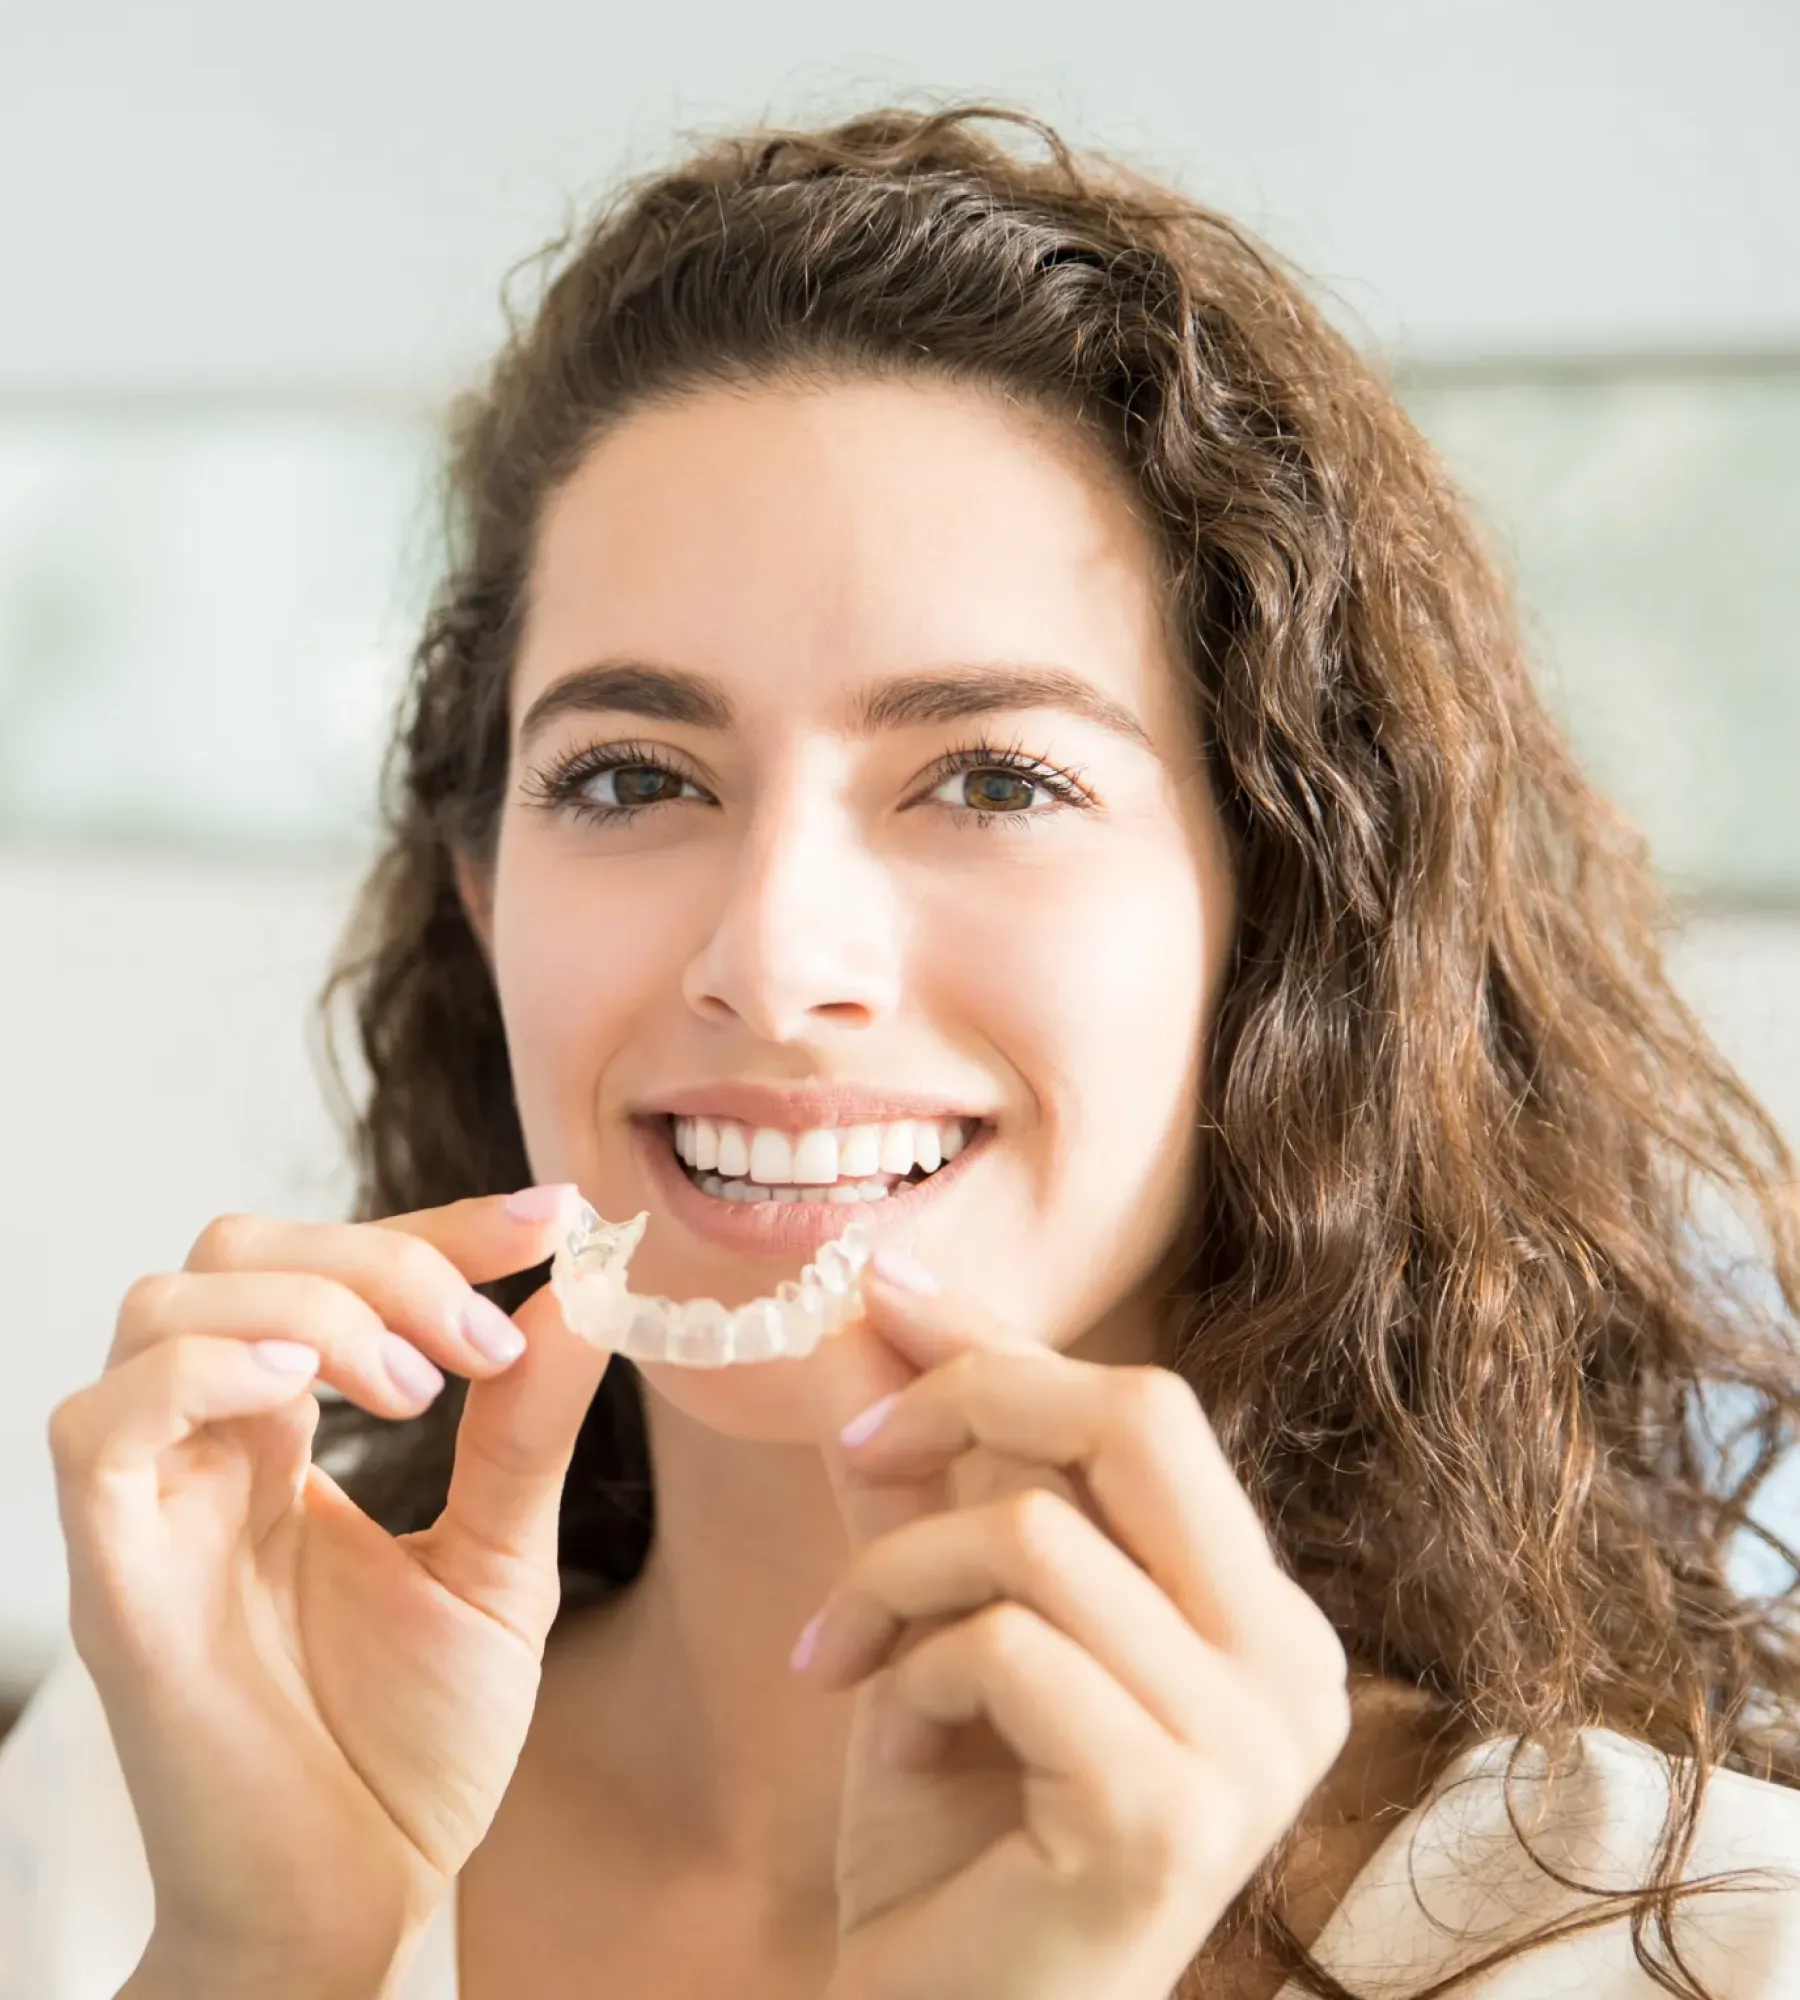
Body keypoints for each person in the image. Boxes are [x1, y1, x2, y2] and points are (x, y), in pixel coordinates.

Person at [3, 99, 1798, 2000]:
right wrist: (264, 1951)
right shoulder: (148, 1829)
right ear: (482, 894)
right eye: (629, 776)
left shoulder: (1692, 1946)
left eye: (995, 777)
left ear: (1280, 915)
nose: (775, 964)